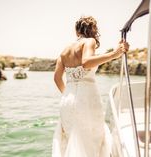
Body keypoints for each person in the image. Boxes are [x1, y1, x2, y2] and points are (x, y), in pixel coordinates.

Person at [52, 16, 129, 157]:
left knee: (73, 141)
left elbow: (57, 78)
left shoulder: (64, 51)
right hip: (86, 99)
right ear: (93, 30)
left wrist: (68, 94)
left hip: (67, 101)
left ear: (77, 31)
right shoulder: (89, 41)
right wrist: (114, 54)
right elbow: (86, 62)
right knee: (91, 141)